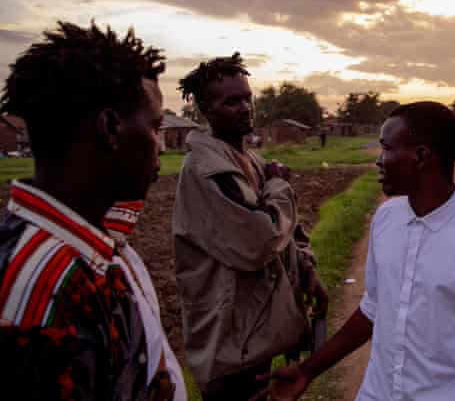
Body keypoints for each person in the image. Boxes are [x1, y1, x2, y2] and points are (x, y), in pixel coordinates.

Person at [255, 102, 455, 401]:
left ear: (422, 156)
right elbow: (374, 308)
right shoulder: (387, 218)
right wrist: (308, 370)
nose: (379, 160)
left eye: (386, 148)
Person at [0, 21, 185, 400]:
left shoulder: (92, 250)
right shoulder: (45, 291)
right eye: (154, 127)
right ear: (111, 129)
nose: (160, 147)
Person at [173, 53, 327, 401]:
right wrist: (278, 186)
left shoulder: (250, 160)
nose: (244, 107)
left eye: (246, 97)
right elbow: (261, 240)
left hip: (255, 332)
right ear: (206, 111)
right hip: (230, 344)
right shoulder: (208, 169)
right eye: (231, 102)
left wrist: (307, 269)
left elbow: (289, 232)